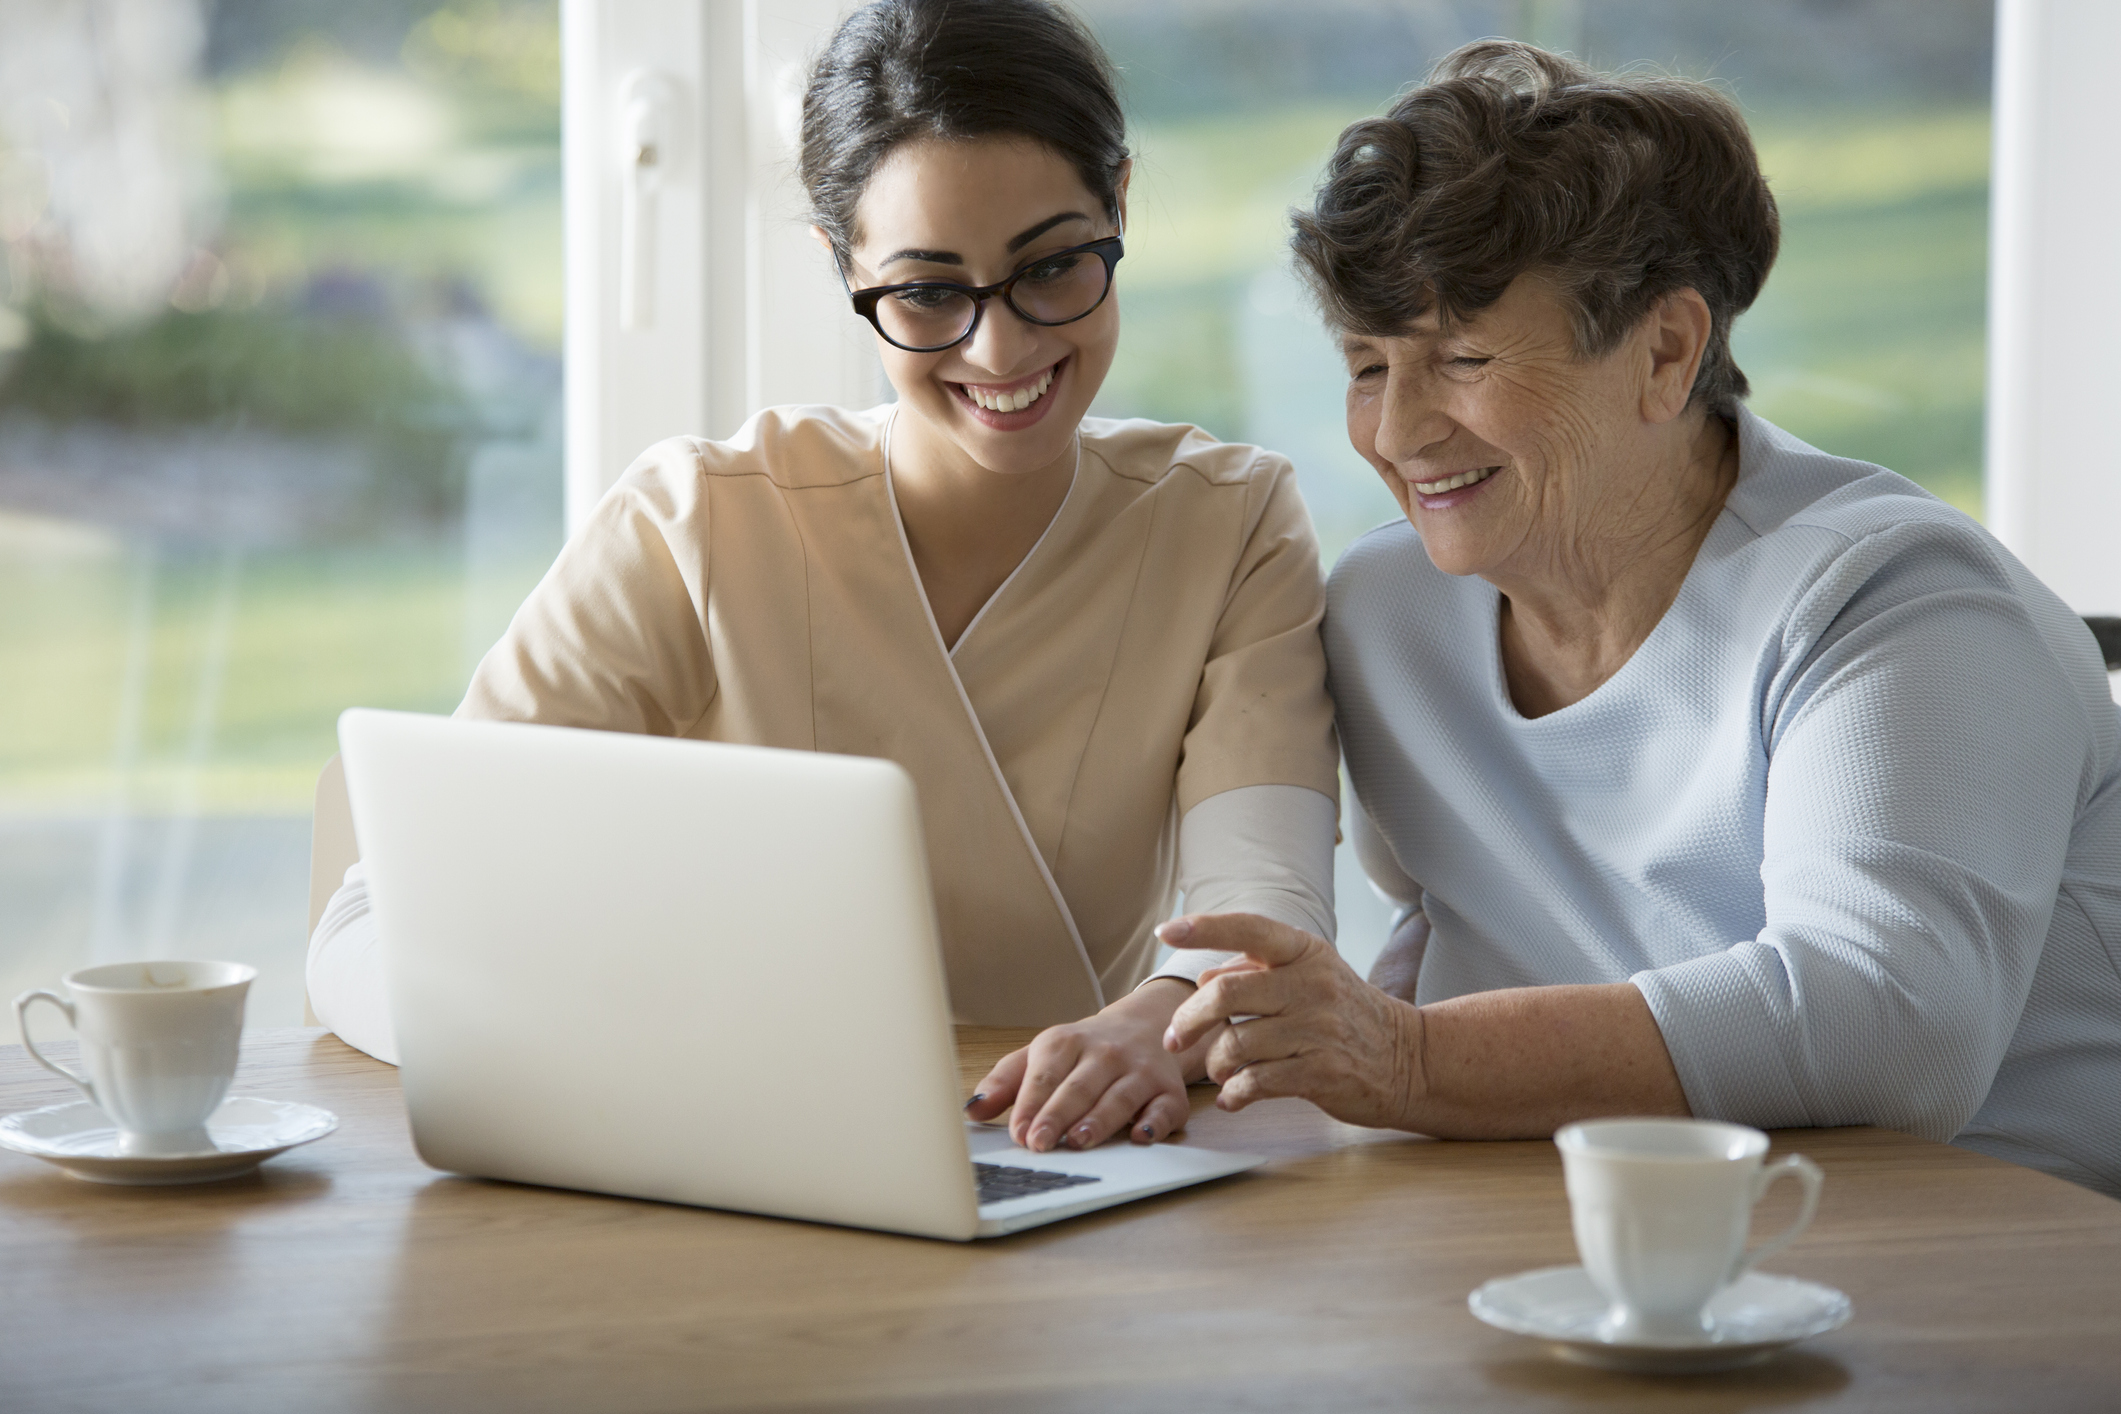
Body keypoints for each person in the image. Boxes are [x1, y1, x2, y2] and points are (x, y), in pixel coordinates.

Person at [308, 0, 1340, 1155]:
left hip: (1075, 1163)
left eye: (1052, 266)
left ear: (1121, 207)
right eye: (928, 291)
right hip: (730, 1147)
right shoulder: (698, 524)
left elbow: (1268, 922)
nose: (1001, 350)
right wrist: (622, 1036)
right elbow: (372, 921)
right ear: (839, 265)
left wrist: (1159, 1017)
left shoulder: (1231, 524)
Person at [1160, 41, 2121, 1197]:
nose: (1399, 432)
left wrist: (1409, 1061)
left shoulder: (1899, 604)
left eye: (1461, 358)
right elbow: (1442, 929)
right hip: (1599, 1227)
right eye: (1368, 366)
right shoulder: (1388, 615)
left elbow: (1887, 1025)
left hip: (1978, 1250)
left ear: (1667, 351)